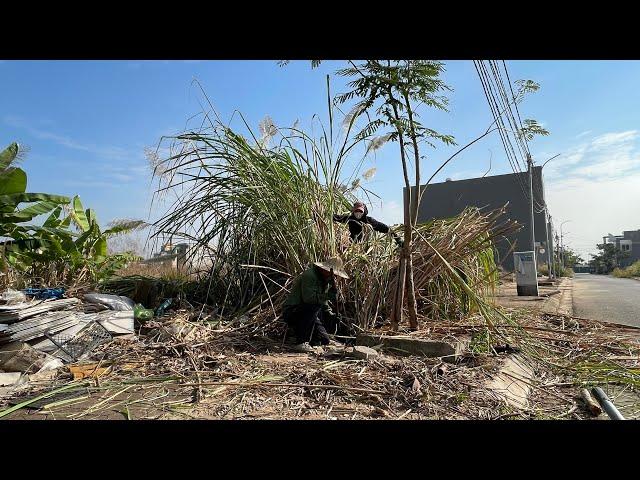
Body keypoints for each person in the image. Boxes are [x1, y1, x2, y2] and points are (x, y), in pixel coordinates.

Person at [282, 257, 349, 353]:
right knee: (314, 306)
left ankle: (309, 340)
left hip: (309, 314)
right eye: (332, 273)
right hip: (293, 311)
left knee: (324, 340)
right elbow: (309, 299)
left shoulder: (324, 280)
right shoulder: (310, 275)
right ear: (325, 269)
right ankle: (301, 342)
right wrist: (328, 296)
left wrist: (331, 314)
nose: (333, 276)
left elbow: (323, 304)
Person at [333, 201, 403, 247]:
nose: (358, 212)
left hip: (365, 246)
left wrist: (398, 239)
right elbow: (337, 217)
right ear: (353, 211)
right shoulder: (350, 219)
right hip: (352, 245)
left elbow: (385, 228)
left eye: (360, 211)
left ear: (364, 212)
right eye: (356, 210)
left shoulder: (369, 221)